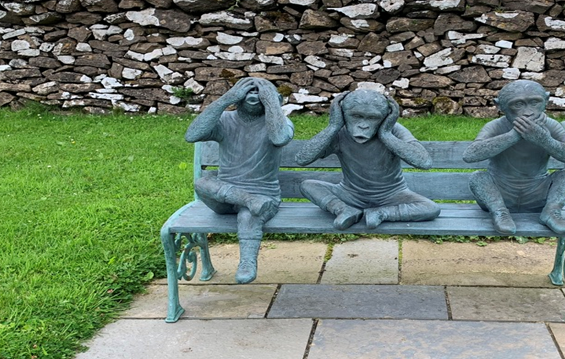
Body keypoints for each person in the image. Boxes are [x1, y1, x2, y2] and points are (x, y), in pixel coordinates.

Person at [184, 77, 293, 283]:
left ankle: (247, 262)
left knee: (248, 216)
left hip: (264, 197)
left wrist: (272, 101)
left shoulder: (279, 122)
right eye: (248, 90)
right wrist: (226, 99)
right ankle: (248, 199)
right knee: (202, 183)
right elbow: (192, 135)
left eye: (260, 92)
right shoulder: (225, 120)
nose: (254, 95)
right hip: (227, 198)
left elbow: (279, 138)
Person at [295, 89, 440, 229]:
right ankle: (343, 209)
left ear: (384, 118)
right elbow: (302, 159)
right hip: (350, 194)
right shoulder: (339, 132)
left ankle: (382, 213)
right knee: (308, 185)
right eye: (356, 116)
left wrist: (386, 135)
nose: (363, 125)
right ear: (343, 114)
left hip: (391, 195)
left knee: (431, 208)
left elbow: (424, 162)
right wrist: (333, 126)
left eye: (372, 118)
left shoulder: (393, 130)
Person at [463, 79, 565, 235]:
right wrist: (514, 135)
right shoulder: (496, 126)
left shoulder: (551, 125)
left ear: (546, 100)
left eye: (534, 103)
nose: (528, 112)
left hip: (538, 192)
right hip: (501, 193)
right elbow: (470, 155)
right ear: (500, 106)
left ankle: (551, 211)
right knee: (478, 177)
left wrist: (544, 139)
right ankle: (500, 212)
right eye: (518, 105)